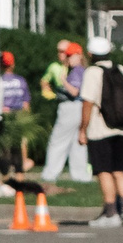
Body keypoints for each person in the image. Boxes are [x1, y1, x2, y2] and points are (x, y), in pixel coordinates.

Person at [76, 36, 123, 227]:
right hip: (122, 128)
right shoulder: (122, 69)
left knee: (104, 171)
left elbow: (88, 102)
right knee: (119, 170)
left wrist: (82, 129)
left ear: (90, 54)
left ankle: (111, 213)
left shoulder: (93, 72)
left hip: (100, 129)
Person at [40, 39, 90, 183]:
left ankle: (50, 174)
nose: (68, 58)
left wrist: (63, 81)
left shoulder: (77, 71)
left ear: (79, 55)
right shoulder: (82, 70)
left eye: (70, 55)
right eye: (67, 55)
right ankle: (80, 176)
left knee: (58, 141)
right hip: (81, 107)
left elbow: (74, 92)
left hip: (71, 107)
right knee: (77, 143)